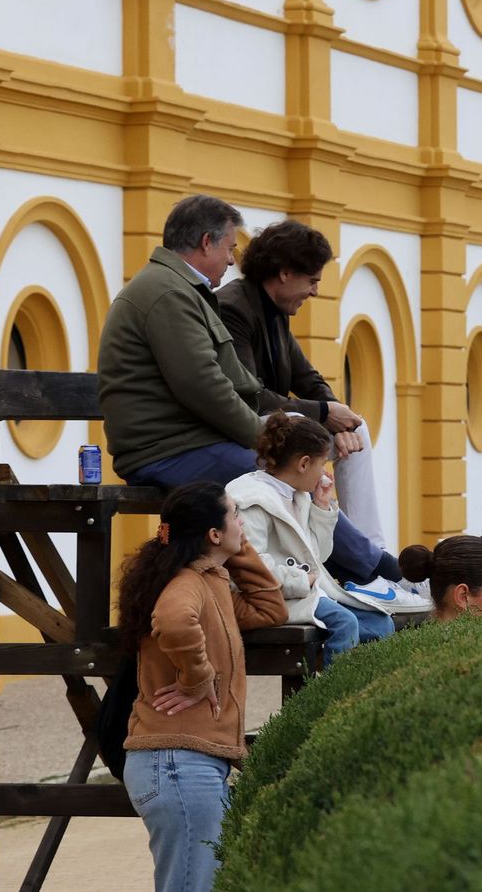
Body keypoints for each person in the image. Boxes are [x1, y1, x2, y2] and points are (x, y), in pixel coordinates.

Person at [97, 196, 397, 586]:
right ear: (207, 242)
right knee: (281, 472)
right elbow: (203, 387)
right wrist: (267, 439)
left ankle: (353, 570)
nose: (231, 258)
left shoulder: (183, 290)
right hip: (165, 451)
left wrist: (303, 422)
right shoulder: (170, 293)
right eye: (228, 247)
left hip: (188, 441)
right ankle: (371, 571)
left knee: (291, 464)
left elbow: (237, 382)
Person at [116, 481, 287, 892]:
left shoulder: (210, 584)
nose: (242, 522)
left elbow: (270, 607)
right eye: (235, 515)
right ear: (213, 533)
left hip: (182, 763)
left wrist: (235, 544)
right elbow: (174, 621)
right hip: (177, 763)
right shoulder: (187, 583)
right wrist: (199, 677)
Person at [212, 220, 389, 545]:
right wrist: (323, 412)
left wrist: (340, 420)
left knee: (357, 428)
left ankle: (372, 549)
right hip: (235, 434)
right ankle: (361, 558)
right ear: (284, 272)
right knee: (298, 426)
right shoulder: (232, 308)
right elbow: (248, 396)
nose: (315, 291)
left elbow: (307, 378)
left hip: (264, 429)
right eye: (312, 280)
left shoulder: (274, 310)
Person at [224, 413, 396, 664]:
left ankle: (363, 693)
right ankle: (330, 698)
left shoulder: (299, 495)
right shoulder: (251, 499)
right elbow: (251, 568)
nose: (324, 471)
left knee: (381, 623)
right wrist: (302, 579)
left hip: (305, 591)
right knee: (344, 624)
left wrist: (322, 508)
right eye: (322, 463)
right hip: (272, 597)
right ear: (303, 464)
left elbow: (319, 555)